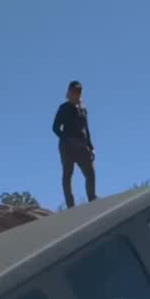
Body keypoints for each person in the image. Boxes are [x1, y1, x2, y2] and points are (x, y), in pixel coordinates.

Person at [52, 80, 97, 208]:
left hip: (82, 147)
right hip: (67, 147)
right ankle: (70, 205)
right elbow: (55, 127)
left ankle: (92, 199)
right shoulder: (64, 108)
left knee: (90, 174)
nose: (76, 94)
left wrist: (91, 147)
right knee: (68, 174)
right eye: (73, 92)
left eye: (78, 91)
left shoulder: (83, 109)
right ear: (69, 93)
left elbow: (86, 129)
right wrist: (66, 139)